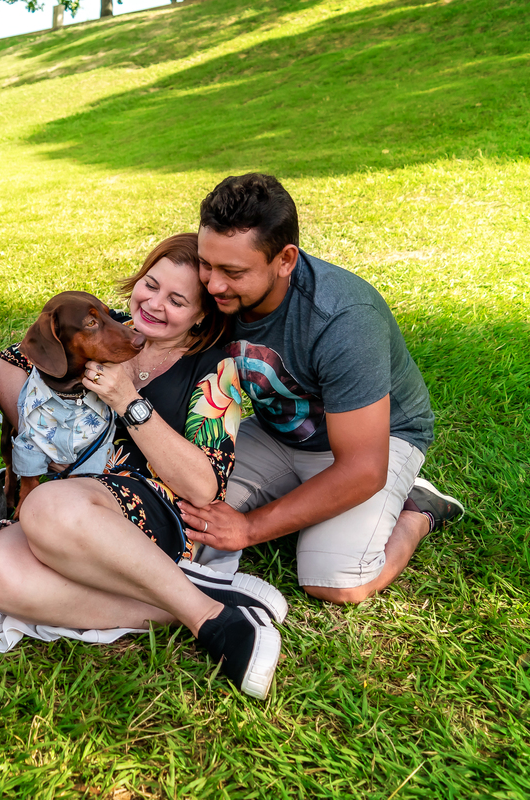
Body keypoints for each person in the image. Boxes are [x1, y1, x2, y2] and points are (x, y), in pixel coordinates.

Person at [0, 233, 290, 699]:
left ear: (201, 313)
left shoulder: (215, 369)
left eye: (177, 299)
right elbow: (6, 365)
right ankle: (200, 601)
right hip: (74, 505)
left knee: (44, 507)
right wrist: (48, 434)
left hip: (148, 509)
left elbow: (204, 487)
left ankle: (213, 624)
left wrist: (126, 399)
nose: (154, 304)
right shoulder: (108, 330)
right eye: (150, 284)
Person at [177, 173, 465, 605]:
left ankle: (419, 509)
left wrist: (250, 529)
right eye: (206, 263)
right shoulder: (215, 289)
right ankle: (303, 495)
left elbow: (363, 468)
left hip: (374, 443)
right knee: (183, 523)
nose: (213, 284)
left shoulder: (344, 317)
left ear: (286, 259)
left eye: (233, 272)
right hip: (277, 431)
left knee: (336, 581)